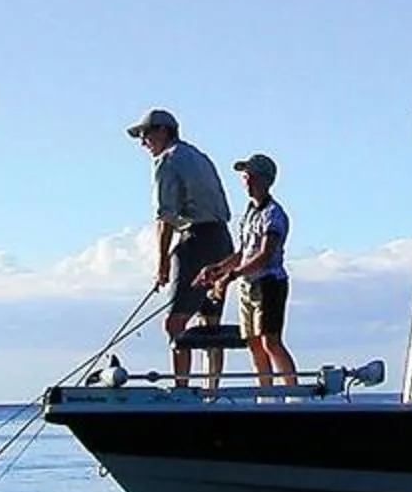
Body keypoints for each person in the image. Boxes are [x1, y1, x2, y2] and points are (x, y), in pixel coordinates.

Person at [128, 106, 234, 385]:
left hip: (197, 240)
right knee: (210, 322)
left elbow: (164, 216)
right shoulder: (199, 156)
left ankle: (182, 390)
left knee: (175, 323)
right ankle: (211, 389)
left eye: (146, 135)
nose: (143, 142)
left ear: (163, 131)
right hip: (222, 240)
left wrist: (161, 263)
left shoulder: (167, 160)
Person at [201, 153, 298, 388]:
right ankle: (265, 393)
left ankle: (294, 395)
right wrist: (218, 268)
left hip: (269, 284)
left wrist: (230, 276)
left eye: (251, 175)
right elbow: (243, 252)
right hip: (248, 284)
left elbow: (264, 255)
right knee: (253, 343)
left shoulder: (273, 214)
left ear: (265, 179)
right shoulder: (249, 213)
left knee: (270, 341)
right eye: (245, 176)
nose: (247, 180)